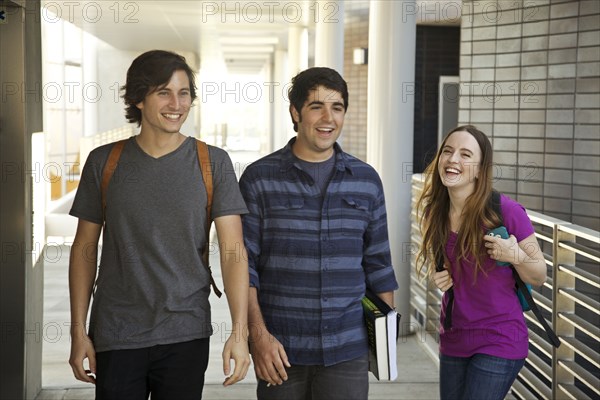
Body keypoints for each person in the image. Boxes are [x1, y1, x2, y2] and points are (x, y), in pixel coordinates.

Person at [68, 50, 250, 399]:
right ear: (137, 97)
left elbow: (233, 251)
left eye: (184, 93)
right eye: (163, 92)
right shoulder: (104, 162)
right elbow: (83, 250)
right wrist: (79, 332)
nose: (176, 103)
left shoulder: (213, 162)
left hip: (186, 329)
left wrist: (239, 334)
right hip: (117, 330)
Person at [239, 67, 398, 400]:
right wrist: (258, 338)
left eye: (337, 107)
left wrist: (383, 342)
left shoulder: (365, 180)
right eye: (316, 106)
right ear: (295, 112)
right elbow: (244, 268)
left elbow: (379, 265)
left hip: (347, 351)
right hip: (280, 351)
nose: (329, 118)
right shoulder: (259, 179)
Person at [415, 125, 547, 400]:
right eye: (448, 152)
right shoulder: (434, 212)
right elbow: (446, 266)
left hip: (500, 337)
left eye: (465, 155)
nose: (453, 160)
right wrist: (438, 275)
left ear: (479, 169)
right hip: (454, 337)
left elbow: (539, 274)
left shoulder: (507, 212)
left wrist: (515, 256)